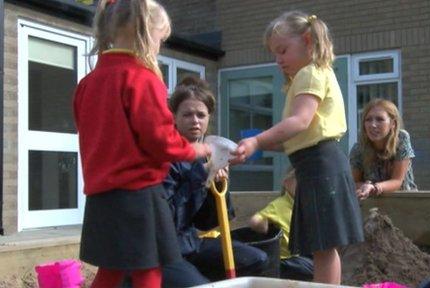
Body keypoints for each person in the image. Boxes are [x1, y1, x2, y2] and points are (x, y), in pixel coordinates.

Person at [73, 1, 210, 288]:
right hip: (138, 195)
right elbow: (160, 140)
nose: (160, 47)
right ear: (146, 35)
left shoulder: (88, 83)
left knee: (110, 272)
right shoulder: (142, 78)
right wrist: (194, 150)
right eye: (160, 39)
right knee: (149, 270)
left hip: (101, 197)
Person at [232, 11, 364, 284]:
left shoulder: (310, 72)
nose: (278, 60)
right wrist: (256, 146)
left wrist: (257, 140)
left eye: (283, 50)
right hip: (317, 164)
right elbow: (297, 136)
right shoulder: (312, 74)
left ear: (307, 41)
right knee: (323, 248)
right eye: (274, 54)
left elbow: (300, 121)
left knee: (324, 248)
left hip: (320, 167)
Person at [164, 76, 269, 285]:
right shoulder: (166, 156)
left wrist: (216, 188)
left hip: (191, 243)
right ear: (174, 117)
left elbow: (207, 222)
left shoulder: (209, 156)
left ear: (208, 118)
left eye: (201, 115)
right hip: (165, 251)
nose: (195, 120)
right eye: (187, 114)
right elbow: (167, 218)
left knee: (257, 260)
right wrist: (200, 176)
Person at [249, 168, 314, 281]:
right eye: (300, 180)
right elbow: (256, 220)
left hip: (305, 256)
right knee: (313, 267)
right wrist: (262, 224)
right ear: (286, 183)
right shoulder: (279, 205)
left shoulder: (307, 204)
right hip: (287, 260)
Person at [349, 98, 418, 200]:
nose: (373, 125)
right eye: (368, 120)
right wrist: (365, 186)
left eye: (380, 119)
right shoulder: (358, 148)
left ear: (392, 124)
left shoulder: (401, 138)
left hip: (405, 201)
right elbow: (353, 183)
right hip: (372, 205)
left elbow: (397, 181)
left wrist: (375, 187)